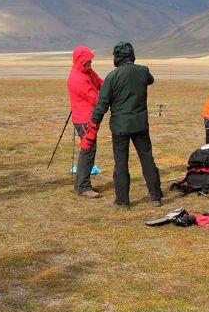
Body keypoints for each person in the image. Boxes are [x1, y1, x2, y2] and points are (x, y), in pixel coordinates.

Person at [83, 42, 164, 209]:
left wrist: (93, 124)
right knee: (147, 159)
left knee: (121, 162)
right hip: (140, 124)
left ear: (116, 57)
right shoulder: (143, 71)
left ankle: (122, 201)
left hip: (120, 127)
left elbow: (102, 104)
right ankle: (156, 196)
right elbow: (150, 80)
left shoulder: (112, 77)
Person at [67, 46, 104, 198]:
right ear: (81, 61)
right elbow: (96, 99)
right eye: (88, 61)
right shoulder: (77, 78)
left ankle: (81, 184)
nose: (90, 63)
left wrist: (112, 86)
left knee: (88, 150)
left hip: (88, 117)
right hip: (84, 119)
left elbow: (100, 82)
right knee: (88, 150)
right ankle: (83, 186)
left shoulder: (87, 71)